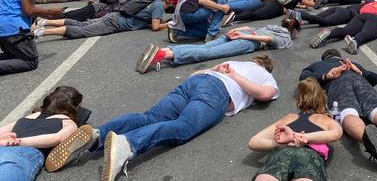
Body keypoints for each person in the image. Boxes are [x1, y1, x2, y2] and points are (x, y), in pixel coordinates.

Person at [46, 56, 279, 181]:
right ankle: (127, 144)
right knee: (184, 126)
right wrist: (236, 77)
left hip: (195, 83)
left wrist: (224, 71)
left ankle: (97, 134)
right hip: (217, 92)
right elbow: (265, 94)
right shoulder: (265, 76)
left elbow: (196, 73)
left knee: (150, 116)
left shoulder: (234, 62)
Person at [248, 77, 343, 181]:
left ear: (299, 99)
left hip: (283, 152)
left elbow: (253, 142)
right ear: (323, 98)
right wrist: (303, 137)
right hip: (309, 156)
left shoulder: (289, 118)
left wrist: (288, 140)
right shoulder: (326, 120)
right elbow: (336, 134)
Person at [136, 16, 300, 73]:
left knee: (205, 48)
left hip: (240, 34)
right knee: (209, 54)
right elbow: (267, 40)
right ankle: (162, 55)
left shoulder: (273, 26)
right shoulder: (286, 37)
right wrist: (241, 35)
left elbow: (252, 27)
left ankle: (165, 50)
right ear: (293, 30)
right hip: (247, 41)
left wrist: (235, 30)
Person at [0, 86, 84, 180]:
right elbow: (57, 139)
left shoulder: (31, 116)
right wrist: (18, 141)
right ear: (75, 107)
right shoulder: (68, 122)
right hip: (24, 153)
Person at [0, 0, 61, 75]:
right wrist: (49, 12)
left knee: (12, 55)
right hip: (13, 26)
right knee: (30, 61)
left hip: (4, 23)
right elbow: (28, 10)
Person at [32, 0, 172, 40]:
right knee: (82, 31)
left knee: (81, 24)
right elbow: (155, 27)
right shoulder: (159, 7)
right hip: (115, 23)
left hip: (115, 16)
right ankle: (42, 32)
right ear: (171, 2)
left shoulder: (152, 0)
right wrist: (170, 24)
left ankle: (45, 22)